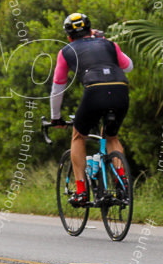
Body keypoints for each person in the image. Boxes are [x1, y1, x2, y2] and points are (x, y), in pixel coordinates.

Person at [49, 12, 134, 206]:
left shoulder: (66, 51)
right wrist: (104, 40)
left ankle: (81, 191)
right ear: (90, 29)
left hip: (94, 92)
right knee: (111, 137)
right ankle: (124, 184)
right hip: (121, 91)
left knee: (78, 136)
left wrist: (56, 117)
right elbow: (129, 67)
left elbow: (58, 87)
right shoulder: (109, 44)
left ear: (69, 36)